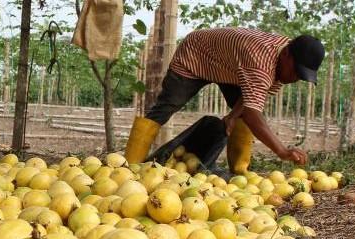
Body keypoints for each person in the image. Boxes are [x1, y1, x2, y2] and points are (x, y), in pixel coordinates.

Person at [125, 28, 325, 174]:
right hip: (195, 54)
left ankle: (239, 170)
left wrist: (231, 117)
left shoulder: (283, 62)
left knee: (242, 116)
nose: (294, 78)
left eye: (301, 75)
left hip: (229, 68)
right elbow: (252, 112)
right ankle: (130, 164)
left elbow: (249, 99)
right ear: (287, 54)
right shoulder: (261, 63)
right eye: (296, 71)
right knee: (167, 105)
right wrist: (281, 150)